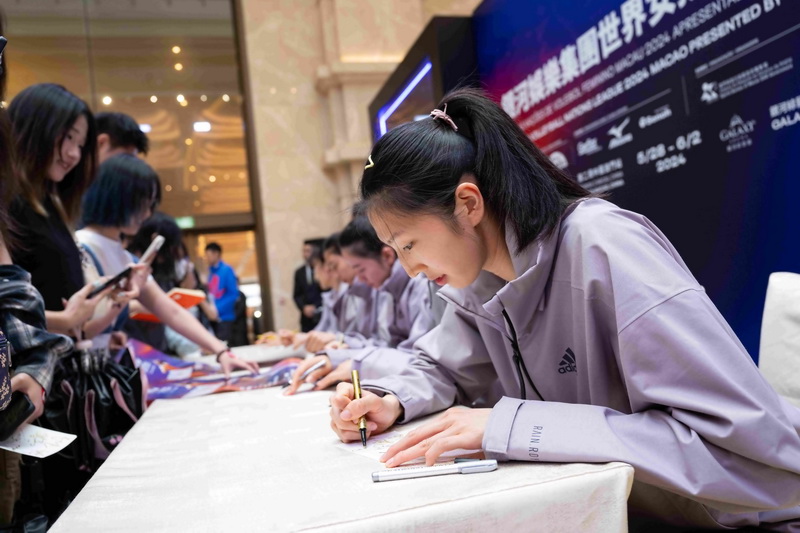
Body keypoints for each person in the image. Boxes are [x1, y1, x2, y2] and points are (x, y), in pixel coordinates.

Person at [328, 89, 800, 531]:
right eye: (395, 250)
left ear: (468, 204)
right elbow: (445, 368)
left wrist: (513, 425)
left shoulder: (604, 246)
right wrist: (391, 401)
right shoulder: (481, 282)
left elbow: (747, 456)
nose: (409, 269)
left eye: (409, 244)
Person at [78, 155, 256, 377]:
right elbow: (78, 330)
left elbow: (171, 311)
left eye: (150, 204)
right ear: (118, 197)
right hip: (84, 376)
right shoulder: (81, 249)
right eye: (143, 203)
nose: (147, 213)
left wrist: (221, 351)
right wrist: (123, 298)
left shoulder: (123, 257)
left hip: (105, 373)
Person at [7, 83, 116, 337]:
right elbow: (7, 308)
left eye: (80, 144)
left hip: (56, 355)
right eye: (68, 137)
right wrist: (65, 319)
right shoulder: (8, 203)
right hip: (27, 358)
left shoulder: (51, 204)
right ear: (35, 128)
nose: (74, 154)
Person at [285, 216, 435, 394]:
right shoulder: (384, 287)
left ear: (387, 255)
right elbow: (384, 344)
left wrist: (356, 360)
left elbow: (422, 363)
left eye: (360, 269)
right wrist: (343, 350)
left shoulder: (422, 285)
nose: (360, 278)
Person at [204, 242, 239, 344]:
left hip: (225, 318)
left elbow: (233, 294)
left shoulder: (227, 270)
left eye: (208, 255)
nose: (207, 258)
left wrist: (217, 309)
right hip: (213, 318)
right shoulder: (210, 272)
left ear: (216, 254)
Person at [293, 239, 323, 332]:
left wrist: (316, 306)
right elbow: (297, 295)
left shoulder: (322, 270)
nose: (305, 254)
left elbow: (326, 292)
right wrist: (304, 307)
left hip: (321, 314)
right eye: (304, 251)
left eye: (308, 251)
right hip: (306, 320)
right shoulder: (299, 272)